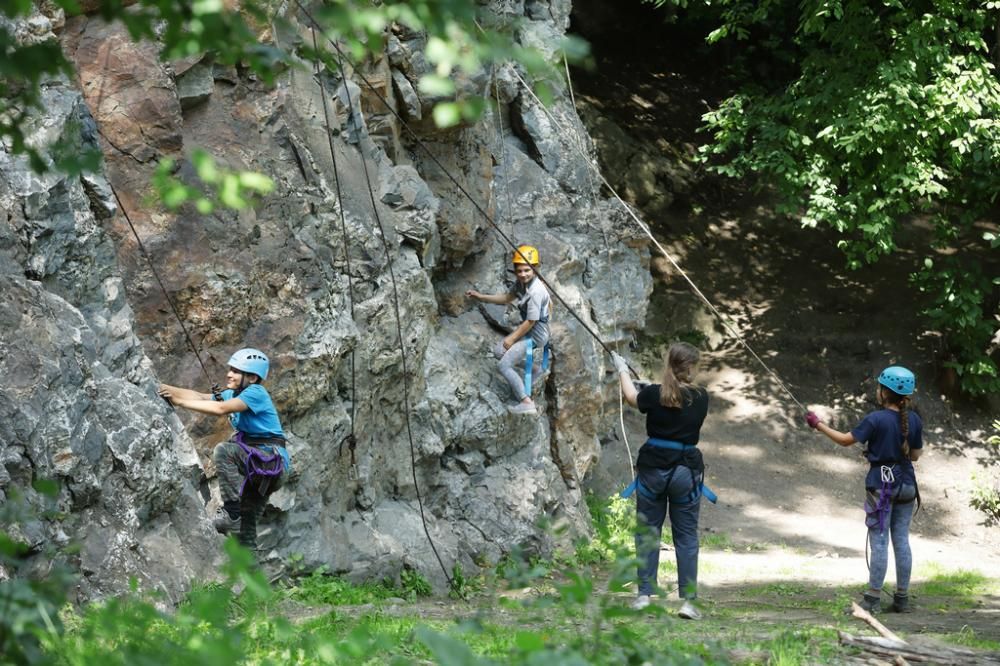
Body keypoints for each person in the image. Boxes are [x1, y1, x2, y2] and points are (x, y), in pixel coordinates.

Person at [805, 366, 923, 614]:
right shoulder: (914, 420)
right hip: (907, 486)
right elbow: (914, 456)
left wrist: (819, 425)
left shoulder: (875, 419)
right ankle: (902, 598)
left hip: (882, 486)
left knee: (879, 540)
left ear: (883, 393)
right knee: (901, 539)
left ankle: (872, 599)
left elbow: (846, 440)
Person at [611, 342, 710, 619]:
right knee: (686, 535)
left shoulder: (654, 394)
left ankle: (644, 596)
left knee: (647, 533)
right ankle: (689, 602)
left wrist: (622, 371)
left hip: (654, 469)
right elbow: (675, 397)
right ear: (690, 368)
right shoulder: (701, 397)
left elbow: (632, 398)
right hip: (685, 473)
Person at [159, 347, 290, 550]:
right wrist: (160, 387)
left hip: (268, 461)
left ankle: (231, 513)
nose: (229, 374)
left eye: (236, 371)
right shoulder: (234, 394)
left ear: (253, 377)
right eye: (230, 369)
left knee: (225, 451)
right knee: (245, 535)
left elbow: (220, 409)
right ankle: (251, 579)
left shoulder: (256, 392)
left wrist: (179, 402)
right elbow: (200, 397)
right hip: (261, 469)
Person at [466, 244, 551, 415]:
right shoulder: (521, 284)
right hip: (529, 332)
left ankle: (526, 402)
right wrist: (481, 296)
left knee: (504, 365)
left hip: (535, 335)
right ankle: (536, 369)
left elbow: (531, 321)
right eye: (519, 270)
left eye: (527, 270)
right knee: (499, 351)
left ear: (535, 268)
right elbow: (506, 298)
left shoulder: (536, 291)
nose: (523, 274)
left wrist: (511, 339)